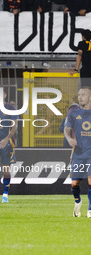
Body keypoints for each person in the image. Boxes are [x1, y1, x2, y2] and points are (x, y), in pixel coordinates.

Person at [64, 87, 91, 218]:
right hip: (78, 153)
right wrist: (69, 139)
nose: (80, 97)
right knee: (75, 184)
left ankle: (90, 209)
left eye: (84, 95)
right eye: (79, 94)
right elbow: (66, 129)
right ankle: (78, 202)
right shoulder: (73, 113)